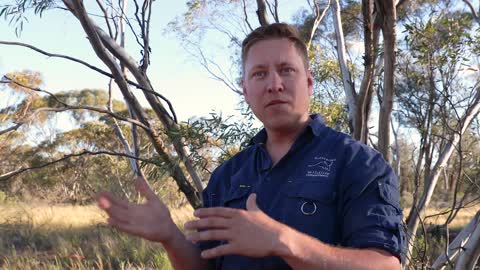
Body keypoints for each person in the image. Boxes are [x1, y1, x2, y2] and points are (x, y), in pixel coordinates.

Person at [97, 23, 404, 270]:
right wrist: (170, 237)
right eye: (260, 74)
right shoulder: (227, 175)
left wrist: (283, 241)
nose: (274, 84)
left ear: (309, 82)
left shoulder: (358, 163)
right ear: (245, 89)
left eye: (286, 70)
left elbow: (385, 265)